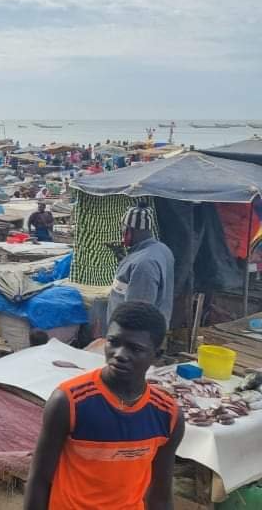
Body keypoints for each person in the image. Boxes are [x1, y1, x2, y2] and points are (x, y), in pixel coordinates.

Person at [23, 301, 184, 509]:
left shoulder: (168, 415)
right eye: (114, 342)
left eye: (135, 348)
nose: (119, 354)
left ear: (157, 356)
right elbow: (40, 479)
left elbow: (160, 494)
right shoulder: (69, 402)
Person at [107, 201, 175, 326]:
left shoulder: (143, 264)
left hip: (134, 334)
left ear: (129, 230)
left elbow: (136, 315)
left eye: (123, 228)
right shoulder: (161, 249)